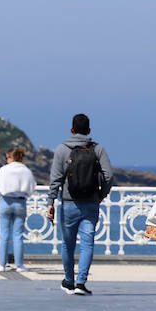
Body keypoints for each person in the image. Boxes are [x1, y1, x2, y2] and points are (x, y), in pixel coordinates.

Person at [47, 113, 114, 296]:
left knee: (68, 244)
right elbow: (109, 176)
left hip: (69, 203)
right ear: (89, 131)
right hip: (90, 203)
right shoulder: (97, 149)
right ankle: (81, 283)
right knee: (87, 244)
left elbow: (56, 179)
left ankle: (68, 281)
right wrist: (100, 195)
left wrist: (51, 201)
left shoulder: (62, 149)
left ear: (72, 129)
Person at [0, 147, 36, 272]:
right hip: (20, 202)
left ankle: (2, 264)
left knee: (3, 235)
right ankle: (19, 265)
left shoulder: (4, 170)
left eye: (7, 158)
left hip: (5, 202)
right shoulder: (26, 170)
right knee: (18, 235)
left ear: (11, 157)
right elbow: (32, 187)